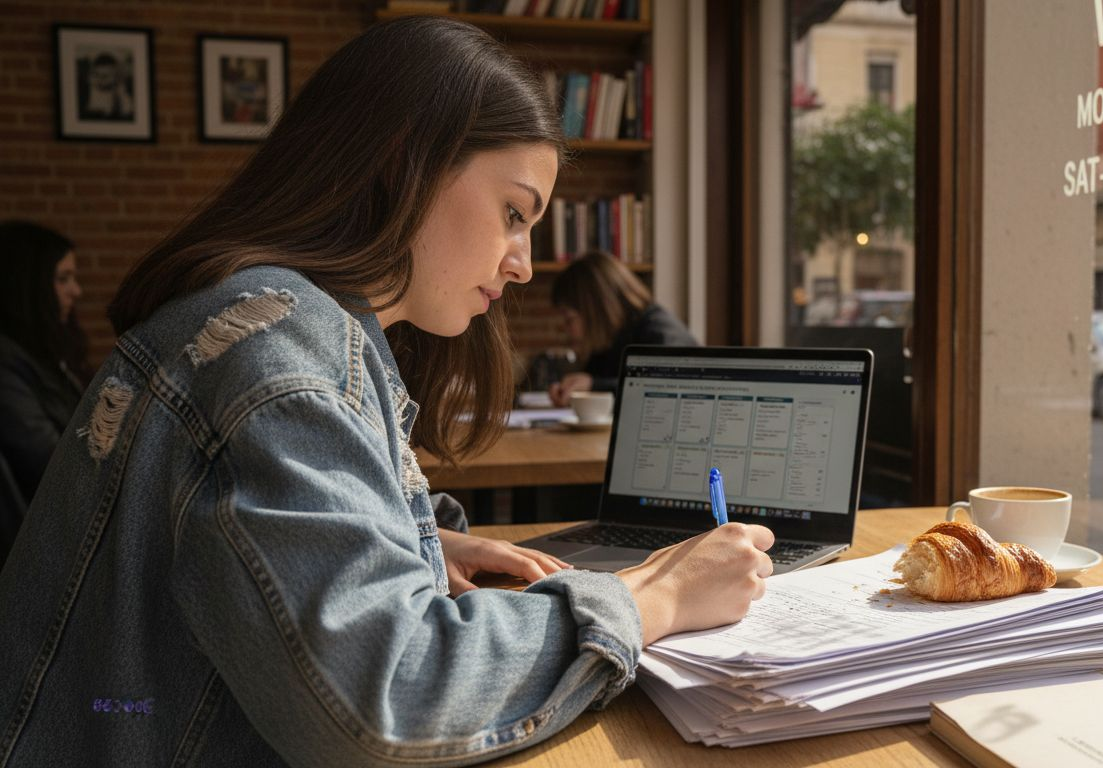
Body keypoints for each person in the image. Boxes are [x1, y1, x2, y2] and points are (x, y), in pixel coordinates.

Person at [0, 19, 773, 767]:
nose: (524, 264)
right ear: (406, 159)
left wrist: (416, 544)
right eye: (513, 214)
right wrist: (648, 598)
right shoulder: (285, 350)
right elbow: (386, 700)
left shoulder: (267, 313)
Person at [0, 221, 89, 506]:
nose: (76, 291)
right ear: (25, 285)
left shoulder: (46, 353)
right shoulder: (7, 363)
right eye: (63, 279)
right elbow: (50, 461)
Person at [548, 250, 698, 406]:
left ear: (595, 310)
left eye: (569, 319)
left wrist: (594, 386)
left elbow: (660, 390)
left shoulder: (660, 333)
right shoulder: (609, 338)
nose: (565, 328)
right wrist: (571, 390)